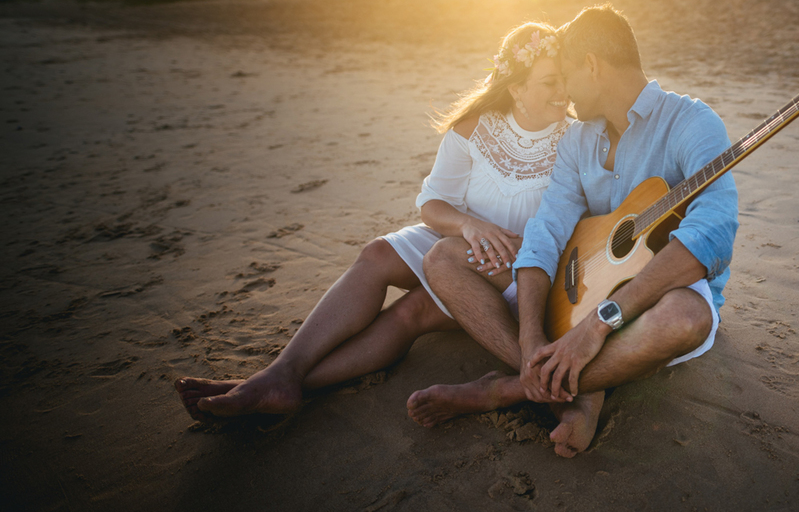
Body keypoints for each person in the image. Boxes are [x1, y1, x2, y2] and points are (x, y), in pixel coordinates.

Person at [174, 22, 572, 420]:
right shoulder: (473, 128)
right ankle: (279, 374)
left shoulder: (575, 140)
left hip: (516, 264)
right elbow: (433, 205)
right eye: (550, 82)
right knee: (378, 253)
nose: (563, 92)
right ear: (516, 88)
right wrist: (468, 225)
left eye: (564, 80)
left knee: (411, 311)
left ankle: (279, 385)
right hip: (460, 237)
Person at [408, 5, 738, 458]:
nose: (564, 92)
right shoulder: (580, 139)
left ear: (592, 65)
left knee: (686, 320)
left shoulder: (691, 123)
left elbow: (712, 234)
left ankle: (508, 389)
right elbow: (546, 230)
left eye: (566, 75)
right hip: (580, 285)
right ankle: (545, 372)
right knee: (443, 258)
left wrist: (600, 325)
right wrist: (529, 337)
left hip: (655, 298)